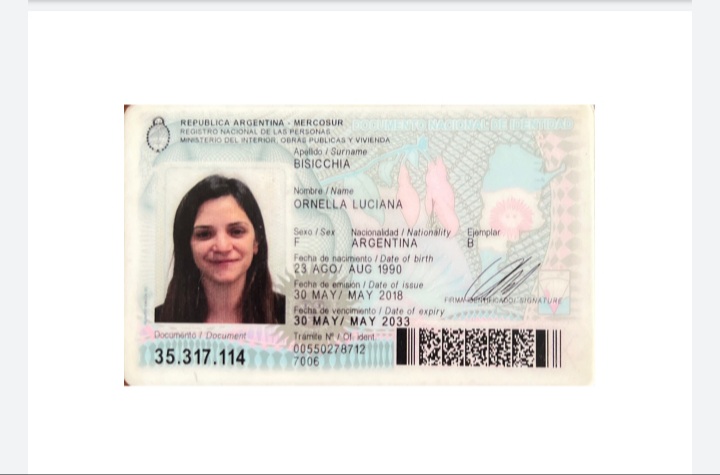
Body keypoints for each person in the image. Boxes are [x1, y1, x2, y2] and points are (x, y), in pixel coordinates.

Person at [155, 175, 285, 324]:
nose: (223, 247)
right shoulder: (156, 320)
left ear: (256, 242)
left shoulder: (291, 314)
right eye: (204, 234)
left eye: (236, 231)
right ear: (187, 246)